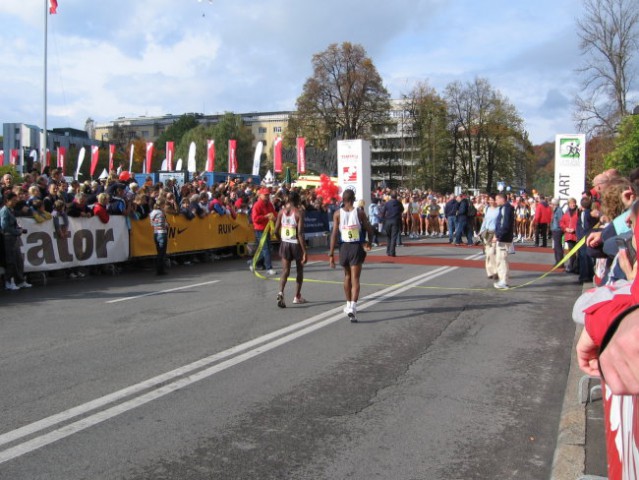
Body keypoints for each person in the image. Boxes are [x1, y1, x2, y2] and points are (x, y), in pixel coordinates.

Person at [329, 189, 375, 322]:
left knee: (347, 276)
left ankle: (348, 303)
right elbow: (369, 229)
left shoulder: (337, 213)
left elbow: (334, 234)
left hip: (344, 248)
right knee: (356, 278)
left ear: (343, 200)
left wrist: (331, 254)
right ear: (353, 199)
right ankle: (353, 307)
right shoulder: (359, 213)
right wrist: (370, 242)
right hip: (356, 247)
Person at [274, 191, 308, 307]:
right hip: (295, 244)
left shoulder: (281, 212)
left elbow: (275, 231)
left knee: (285, 271)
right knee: (299, 270)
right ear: (298, 200)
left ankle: (280, 292)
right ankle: (297, 296)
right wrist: (304, 251)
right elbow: (300, 234)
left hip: (285, 243)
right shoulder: (299, 213)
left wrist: (281, 240)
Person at [0, 192, 31, 290]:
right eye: (13, 200)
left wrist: (18, 228)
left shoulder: (11, 210)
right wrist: (18, 231)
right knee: (11, 261)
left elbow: (12, 223)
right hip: (8, 238)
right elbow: (4, 226)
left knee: (19, 260)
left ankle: (20, 280)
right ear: (7, 201)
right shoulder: (4, 211)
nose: (15, 202)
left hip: (14, 237)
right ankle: (8, 281)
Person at [250, 187, 277, 276]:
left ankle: (254, 262)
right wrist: (266, 216)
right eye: (265, 195)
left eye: (268, 195)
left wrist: (274, 217)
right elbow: (255, 219)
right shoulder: (257, 205)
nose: (267, 196)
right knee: (266, 249)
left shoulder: (269, 204)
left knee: (266, 248)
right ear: (260, 195)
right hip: (260, 229)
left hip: (267, 228)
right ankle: (269, 268)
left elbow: (274, 213)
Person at [493, 192, 515, 289]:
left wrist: (498, 235)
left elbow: (504, 224)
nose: (496, 201)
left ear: (502, 199)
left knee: (502, 259)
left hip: (503, 238)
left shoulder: (506, 208)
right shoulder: (505, 208)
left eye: (497, 199)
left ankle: (504, 281)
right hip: (504, 237)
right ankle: (503, 280)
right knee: (500, 259)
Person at [479, 195, 499, 279]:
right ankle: (489, 272)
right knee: (487, 253)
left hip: (494, 233)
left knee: (492, 252)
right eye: (489, 200)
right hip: (486, 232)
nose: (491, 201)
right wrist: (480, 231)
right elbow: (485, 220)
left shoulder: (499, 210)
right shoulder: (487, 209)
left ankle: (496, 272)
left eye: (492, 200)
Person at [149, 198, 168, 275]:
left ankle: (159, 269)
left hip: (156, 232)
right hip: (161, 232)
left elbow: (152, 223)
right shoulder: (160, 213)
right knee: (162, 252)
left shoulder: (152, 212)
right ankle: (160, 270)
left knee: (159, 251)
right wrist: (166, 225)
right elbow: (161, 223)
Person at [382, 191, 403, 257]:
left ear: (390, 196)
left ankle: (388, 251)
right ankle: (392, 252)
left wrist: (383, 219)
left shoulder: (387, 203)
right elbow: (402, 210)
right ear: (396, 196)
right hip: (395, 220)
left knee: (388, 237)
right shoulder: (399, 203)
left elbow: (383, 212)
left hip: (388, 220)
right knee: (393, 237)